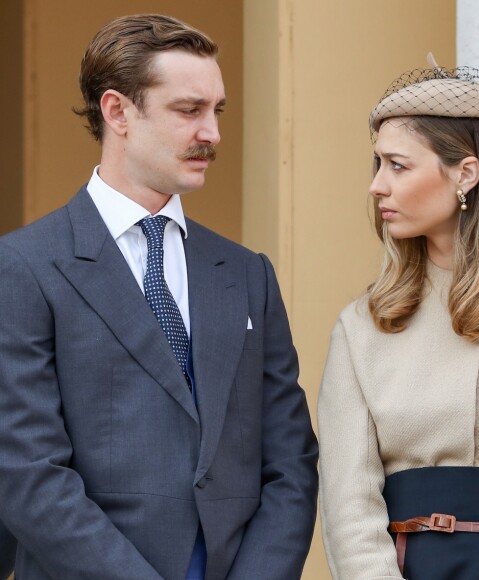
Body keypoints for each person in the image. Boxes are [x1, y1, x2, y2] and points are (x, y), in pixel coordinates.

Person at [0, 13, 318, 580]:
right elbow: (28, 472)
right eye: (188, 110)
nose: (212, 134)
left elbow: (290, 463)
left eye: (216, 111)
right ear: (117, 111)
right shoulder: (23, 266)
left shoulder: (248, 275)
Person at [318, 55, 479, 580]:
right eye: (378, 165)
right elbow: (348, 502)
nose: (376, 186)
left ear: (466, 173)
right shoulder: (361, 326)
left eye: (398, 165)